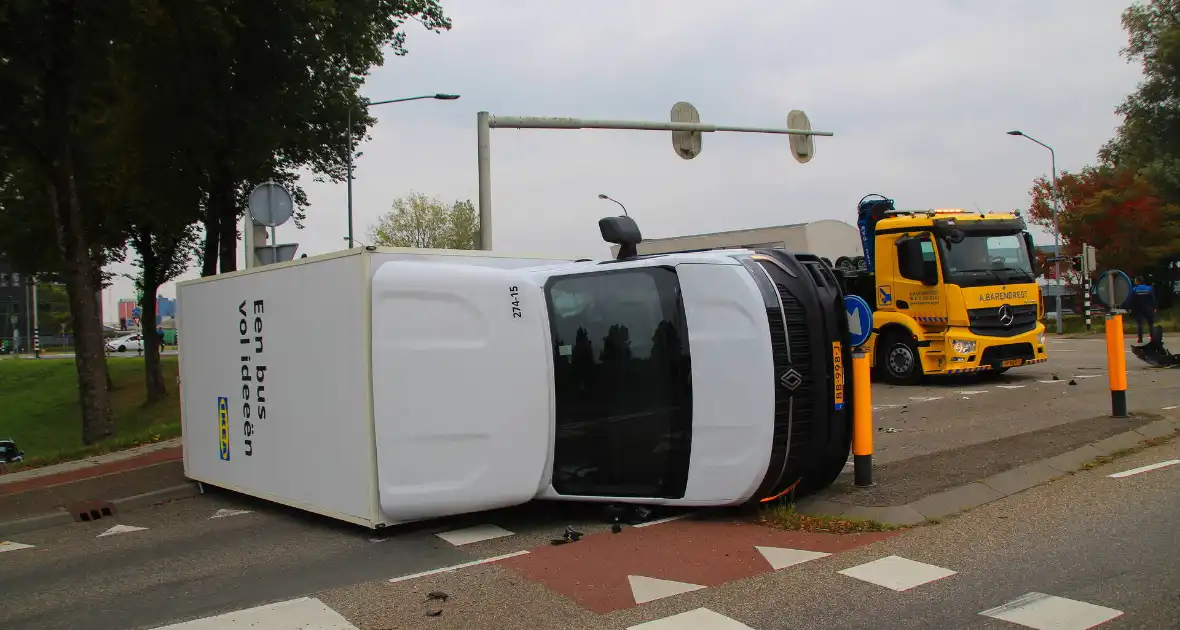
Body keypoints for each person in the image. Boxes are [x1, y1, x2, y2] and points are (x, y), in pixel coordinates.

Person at [1129, 277, 1156, 344]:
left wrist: (1132, 309)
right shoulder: (1149, 288)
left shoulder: (1134, 289)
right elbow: (1152, 299)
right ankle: (1153, 338)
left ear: (1137, 282)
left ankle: (1140, 339)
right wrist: (1154, 307)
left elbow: (1132, 300)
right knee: (1151, 324)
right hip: (1149, 308)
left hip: (1139, 309)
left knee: (1140, 324)